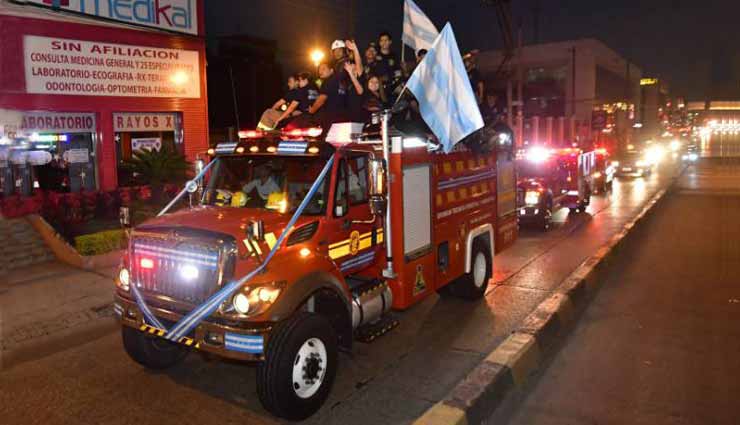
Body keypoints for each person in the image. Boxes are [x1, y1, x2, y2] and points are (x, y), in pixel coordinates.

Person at [308, 61, 349, 129]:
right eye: (319, 69)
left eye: (323, 69)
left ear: (331, 70)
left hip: (331, 118)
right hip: (343, 116)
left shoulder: (328, 81)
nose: (320, 71)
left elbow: (322, 99)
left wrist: (312, 110)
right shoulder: (339, 80)